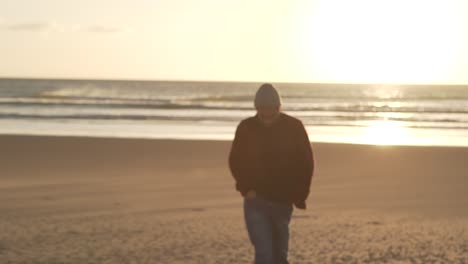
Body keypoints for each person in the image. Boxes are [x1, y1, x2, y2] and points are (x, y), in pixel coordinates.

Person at [228, 83, 315, 264]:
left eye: (271, 110)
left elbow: (306, 163)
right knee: (264, 254)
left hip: (283, 202)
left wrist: (300, 194)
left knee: (279, 256)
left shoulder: (294, 127)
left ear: (278, 107)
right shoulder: (246, 127)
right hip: (255, 201)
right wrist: (245, 188)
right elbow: (235, 160)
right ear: (257, 108)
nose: (267, 115)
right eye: (262, 110)